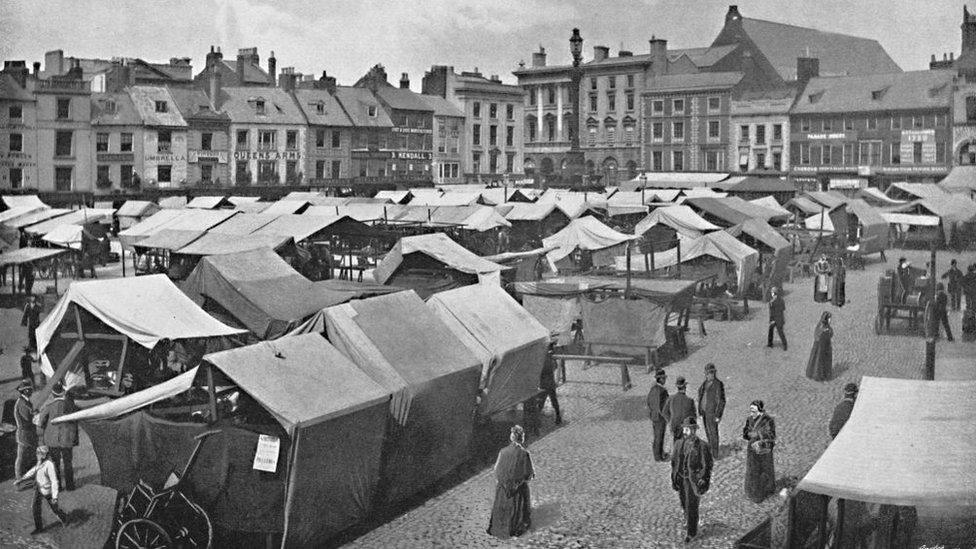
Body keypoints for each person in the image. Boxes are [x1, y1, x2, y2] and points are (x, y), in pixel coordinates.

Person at [486, 425, 534, 539]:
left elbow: (497, 470)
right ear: (521, 438)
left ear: (512, 437)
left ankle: (499, 525)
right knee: (524, 490)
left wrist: (503, 481)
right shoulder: (524, 453)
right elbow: (529, 474)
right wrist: (520, 480)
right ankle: (518, 526)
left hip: (503, 488)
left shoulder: (503, 452)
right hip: (518, 489)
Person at [670, 417, 713, 543]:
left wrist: (702, 478)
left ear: (694, 430)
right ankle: (687, 519)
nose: (685, 432)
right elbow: (674, 461)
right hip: (681, 478)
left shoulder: (702, 446)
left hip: (692, 480)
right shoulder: (678, 444)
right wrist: (674, 475)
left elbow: (707, 464)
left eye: (688, 429)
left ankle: (691, 532)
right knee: (684, 502)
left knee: (692, 505)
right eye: (684, 429)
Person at [15, 446, 69, 534]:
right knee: (35, 508)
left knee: (55, 509)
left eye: (38, 453)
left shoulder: (49, 465)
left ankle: (64, 517)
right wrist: (21, 479)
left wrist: (55, 497)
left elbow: (54, 481)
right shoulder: (39, 462)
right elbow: (33, 470)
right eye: (37, 453)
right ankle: (39, 528)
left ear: (44, 455)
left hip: (48, 491)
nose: (37, 455)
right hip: (39, 488)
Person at [36, 383, 78, 492]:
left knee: (55, 464)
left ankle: (58, 487)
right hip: (67, 439)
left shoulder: (48, 407)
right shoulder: (71, 405)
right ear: (63, 393)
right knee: (68, 463)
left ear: (53, 394)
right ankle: (70, 486)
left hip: (52, 440)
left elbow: (41, 423)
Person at [742, 399, 776, 503]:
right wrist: (749, 434)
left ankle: (764, 491)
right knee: (753, 470)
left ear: (760, 410)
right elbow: (745, 432)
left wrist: (759, 434)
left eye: (753, 409)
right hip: (752, 449)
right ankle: (752, 491)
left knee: (764, 469)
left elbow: (772, 435)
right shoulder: (749, 419)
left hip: (763, 449)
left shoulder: (768, 420)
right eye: (751, 409)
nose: (751, 412)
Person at [697, 364, 726, 458]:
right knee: (708, 433)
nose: (710, 374)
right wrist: (700, 409)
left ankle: (715, 454)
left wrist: (718, 415)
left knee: (713, 433)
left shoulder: (718, 384)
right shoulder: (704, 384)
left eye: (712, 372)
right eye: (709, 373)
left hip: (712, 413)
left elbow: (721, 401)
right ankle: (711, 452)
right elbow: (700, 396)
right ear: (705, 374)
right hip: (705, 413)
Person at [15, 380, 38, 479]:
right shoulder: (22, 403)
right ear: (24, 391)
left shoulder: (25, 401)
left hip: (27, 433)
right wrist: (36, 414)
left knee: (27, 456)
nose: (31, 391)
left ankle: (26, 475)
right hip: (24, 434)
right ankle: (19, 477)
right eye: (29, 389)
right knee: (22, 456)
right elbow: (28, 418)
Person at [646, 368, 669, 462]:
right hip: (660, 417)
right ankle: (659, 456)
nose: (665, 380)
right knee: (660, 436)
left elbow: (648, 402)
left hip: (654, 416)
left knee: (656, 436)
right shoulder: (662, 391)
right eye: (664, 378)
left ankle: (658, 454)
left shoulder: (652, 389)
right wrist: (666, 416)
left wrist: (652, 411)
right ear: (661, 379)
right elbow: (663, 406)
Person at [664, 377, 696, 443]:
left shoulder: (671, 398)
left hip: (675, 425)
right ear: (685, 387)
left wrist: (670, 421)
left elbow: (664, 412)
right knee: (686, 444)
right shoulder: (690, 400)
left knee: (676, 444)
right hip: (686, 426)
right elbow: (694, 416)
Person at [538, 342, 562, 425]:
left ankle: (537, 421)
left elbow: (541, 370)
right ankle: (558, 417)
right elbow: (554, 367)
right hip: (550, 382)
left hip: (544, 383)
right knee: (553, 400)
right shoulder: (549, 358)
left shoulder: (543, 358)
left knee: (541, 402)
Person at [805, 312, 834, 382]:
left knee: (823, 361)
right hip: (821, 347)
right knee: (819, 361)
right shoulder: (822, 327)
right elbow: (819, 336)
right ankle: (819, 375)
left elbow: (831, 333)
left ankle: (825, 374)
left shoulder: (826, 326)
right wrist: (826, 332)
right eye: (829, 319)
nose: (830, 320)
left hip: (825, 346)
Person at [766, 286, 787, 350]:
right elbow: (783, 308)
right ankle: (785, 345)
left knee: (771, 330)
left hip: (774, 319)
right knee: (781, 332)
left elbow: (771, 312)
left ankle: (770, 344)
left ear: (773, 293)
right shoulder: (781, 300)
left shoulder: (771, 302)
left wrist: (771, 320)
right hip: (780, 318)